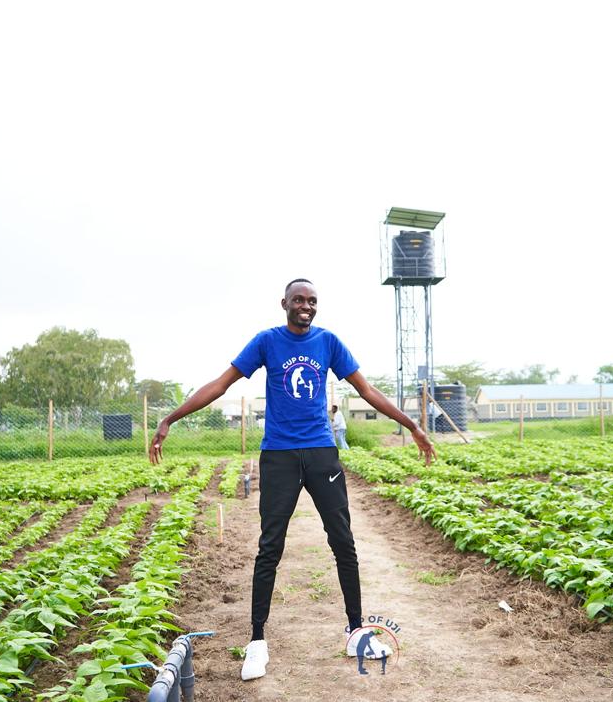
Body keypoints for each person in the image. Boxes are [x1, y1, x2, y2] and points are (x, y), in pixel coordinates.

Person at [148, 278, 436, 681]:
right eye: (298, 299)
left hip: (321, 453)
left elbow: (367, 391)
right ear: (284, 303)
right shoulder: (267, 341)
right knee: (270, 547)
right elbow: (221, 383)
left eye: (312, 301)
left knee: (343, 542)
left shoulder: (328, 342)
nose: (306, 305)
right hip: (279, 456)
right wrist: (169, 419)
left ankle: (356, 631)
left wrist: (413, 426)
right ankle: (257, 641)